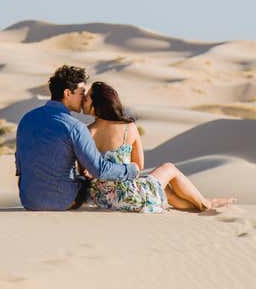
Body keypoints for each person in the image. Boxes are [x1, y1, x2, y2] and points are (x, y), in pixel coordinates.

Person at [84, 81, 236, 213]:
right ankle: (206, 203)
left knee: (163, 190)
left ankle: (201, 204)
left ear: (97, 103)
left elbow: (83, 169)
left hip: (103, 199)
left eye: (87, 97)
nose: (84, 99)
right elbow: (138, 166)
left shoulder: (87, 132)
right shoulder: (128, 127)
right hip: (127, 197)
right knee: (169, 168)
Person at [15, 66, 139, 211]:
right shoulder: (75, 127)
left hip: (29, 201)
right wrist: (131, 169)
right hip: (64, 201)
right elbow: (100, 170)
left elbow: (20, 168)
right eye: (81, 93)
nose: (84, 99)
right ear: (67, 93)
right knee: (89, 183)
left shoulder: (26, 119)